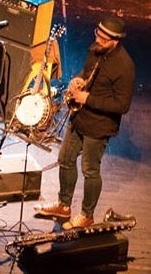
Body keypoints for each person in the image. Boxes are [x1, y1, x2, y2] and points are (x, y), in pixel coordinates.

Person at [34, 16, 135, 230]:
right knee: (65, 159)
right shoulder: (96, 48)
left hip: (99, 126)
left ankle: (87, 215)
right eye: (97, 34)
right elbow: (87, 71)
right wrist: (78, 79)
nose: (98, 39)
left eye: (103, 38)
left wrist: (87, 99)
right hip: (80, 117)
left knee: (90, 170)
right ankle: (63, 205)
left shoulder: (125, 66)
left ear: (115, 40)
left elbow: (122, 105)